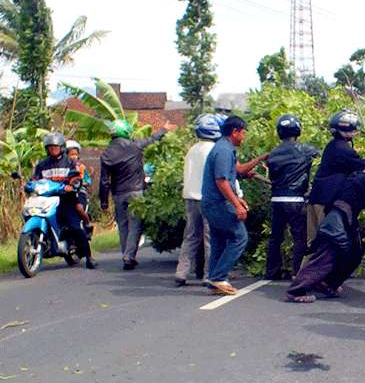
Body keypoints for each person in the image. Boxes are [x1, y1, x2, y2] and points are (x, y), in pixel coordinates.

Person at [285, 146, 365, 303]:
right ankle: (295, 290)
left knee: (355, 253)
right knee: (325, 258)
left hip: (337, 218)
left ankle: (328, 283)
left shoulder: (356, 176)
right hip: (337, 223)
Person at [201, 116, 268, 295]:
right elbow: (222, 181)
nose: (244, 137)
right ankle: (219, 276)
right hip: (218, 204)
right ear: (235, 132)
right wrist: (237, 205)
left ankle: (214, 280)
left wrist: (260, 159)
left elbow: (238, 170)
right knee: (240, 237)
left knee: (219, 242)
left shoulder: (225, 147)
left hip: (210, 203)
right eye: (243, 133)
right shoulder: (223, 150)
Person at [100, 119, 177, 270]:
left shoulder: (106, 154)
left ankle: (126, 255)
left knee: (123, 226)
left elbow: (103, 181)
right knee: (135, 224)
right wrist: (164, 129)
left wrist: (103, 201)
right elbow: (151, 139)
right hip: (136, 192)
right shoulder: (134, 146)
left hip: (118, 194)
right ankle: (129, 256)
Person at [264, 114, 319, 280]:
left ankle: (272, 272)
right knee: (299, 238)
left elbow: (272, 175)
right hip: (296, 199)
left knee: (276, 237)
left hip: (277, 200)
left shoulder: (273, 153)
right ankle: (297, 272)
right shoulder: (305, 150)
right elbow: (319, 156)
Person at [305, 110, 365, 257]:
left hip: (315, 199)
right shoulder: (345, 150)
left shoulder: (332, 146)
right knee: (326, 244)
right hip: (326, 202)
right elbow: (364, 169)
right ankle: (317, 277)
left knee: (312, 244)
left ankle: (303, 276)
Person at [174, 114, 224, 287]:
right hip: (208, 199)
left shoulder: (192, 150)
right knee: (211, 238)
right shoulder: (215, 150)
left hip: (190, 198)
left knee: (190, 236)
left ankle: (181, 272)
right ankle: (209, 275)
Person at [33, 133, 96, 269]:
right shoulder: (42, 165)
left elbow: (76, 177)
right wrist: (28, 185)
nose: (53, 150)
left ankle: (89, 256)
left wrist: (71, 185)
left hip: (67, 200)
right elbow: (35, 179)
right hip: (48, 199)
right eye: (50, 148)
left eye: (55, 147)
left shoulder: (70, 163)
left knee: (74, 226)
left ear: (61, 147)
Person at [64, 140, 93, 238]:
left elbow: (88, 180)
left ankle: (87, 224)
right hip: (65, 193)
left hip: (79, 192)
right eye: (71, 154)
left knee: (79, 208)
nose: (73, 156)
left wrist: (83, 182)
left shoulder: (81, 167)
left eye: (75, 154)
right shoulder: (63, 167)